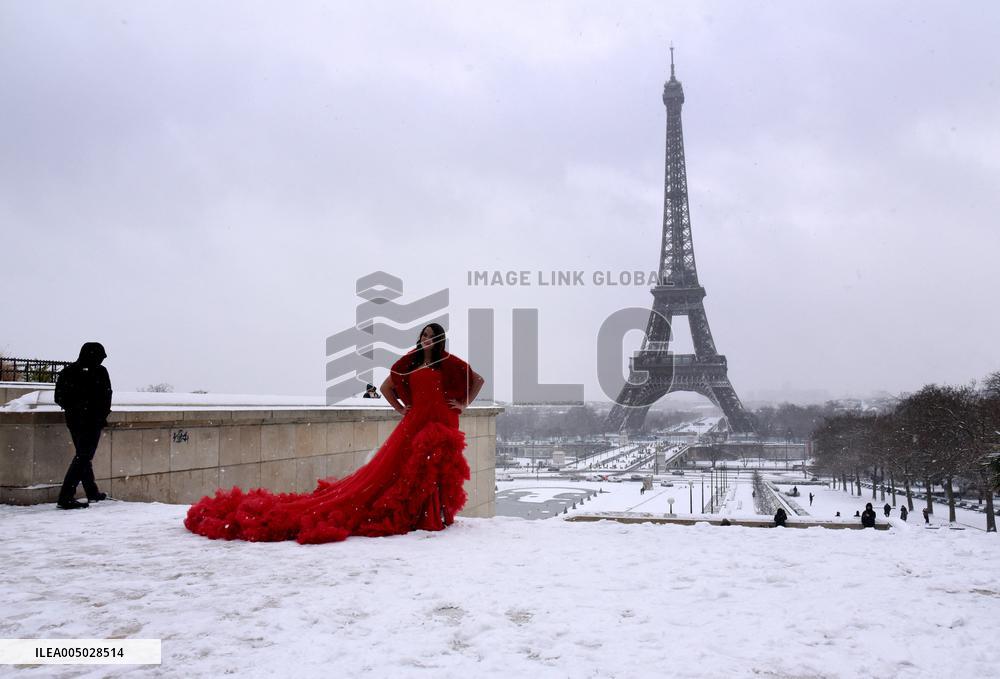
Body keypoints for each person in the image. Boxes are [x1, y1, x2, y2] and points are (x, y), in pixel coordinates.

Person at [185, 323, 485, 544]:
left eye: (431, 336)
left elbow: (477, 379)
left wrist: (463, 404)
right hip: (417, 418)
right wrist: (402, 409)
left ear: (440, 339)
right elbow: (386, 388)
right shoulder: (410, 361)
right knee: (405, 470)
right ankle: (423, 516)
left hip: (442, 419)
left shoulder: (448, 362)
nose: (426, 339)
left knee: (435, 468)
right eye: (423, 335)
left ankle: (434, 515)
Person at [53, 342, 112, 510]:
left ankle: (91, 492)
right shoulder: (98, 372)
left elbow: (60, 397)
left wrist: (79, 409)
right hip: (87, 421)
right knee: (83, 457)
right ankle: (65, 496)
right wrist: (92, 411)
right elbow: (106, 395)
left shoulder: (69, 372)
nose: (102, 360)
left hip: (79, 420)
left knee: (83, 456)